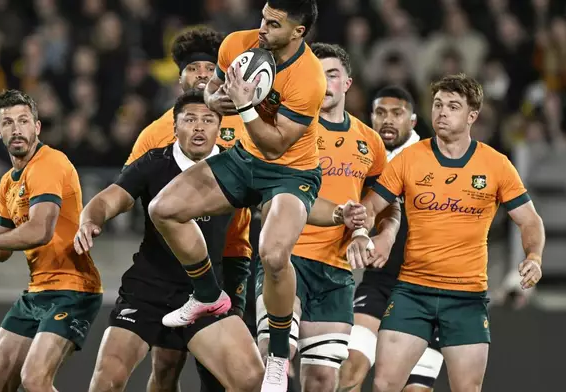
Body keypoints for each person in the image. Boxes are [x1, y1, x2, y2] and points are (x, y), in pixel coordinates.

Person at [148, 2, 341, 390]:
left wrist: (246, 105)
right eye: (263, 18)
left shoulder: (308, 79)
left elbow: (275, 147)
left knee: (272, 254)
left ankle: (279, 356)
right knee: (163, 209)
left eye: (274, 24)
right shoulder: (239, 43)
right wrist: (220, 100)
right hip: (243, 159)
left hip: (291, 173)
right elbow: (216, 93)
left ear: (298, 32)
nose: (262, 29)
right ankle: (207, 294)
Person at [346, 74, 546, 392]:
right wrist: (361, 233)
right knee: (384, 384)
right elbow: (371, 206)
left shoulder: (496, 165)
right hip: (413, 292)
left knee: (467, 388)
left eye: (453, 106)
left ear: (472, 116)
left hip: (466, 297)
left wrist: (533, 256)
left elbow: (530, 221)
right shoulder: (409, 159)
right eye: (438, 104)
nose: (442, 112)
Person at [79, 90, 264, 392]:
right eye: (190, 119)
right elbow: (110, 199)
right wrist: (90, 220)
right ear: (175, 127)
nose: (199, 127)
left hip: (205, 292)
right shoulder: (154, 163)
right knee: (106, 382)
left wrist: (337, 215)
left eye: (208, 120)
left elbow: (286, 197)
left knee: (252, 380)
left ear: (221, 128)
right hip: (148, 289)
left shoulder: (238, 169)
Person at [254, 44, 400, 392]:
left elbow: (387, 202)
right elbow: (264, 195)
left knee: (322, 379)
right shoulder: (287, 132)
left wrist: (384, 235)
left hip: (336, 270)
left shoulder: (370, 141)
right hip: (287, 258)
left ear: (348, 82)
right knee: (275, 355)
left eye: (331, 74)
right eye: (317, 75)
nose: (325, 82)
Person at [123, 25, 253, 392]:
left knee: (218, 366)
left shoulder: (244, 123)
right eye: (193, 69)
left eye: (210, 69)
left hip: (229, 255)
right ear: (179, 78)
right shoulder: (155, 132)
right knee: (165, 364)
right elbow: (129, 188)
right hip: (171, 261)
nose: (201, 75)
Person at [0, 89, 103, 392]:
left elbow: (40, 231)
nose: (16, 129)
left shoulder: (50, 164)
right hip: (38, 291)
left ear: (36, 127)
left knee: (35, 379)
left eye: (23, 121)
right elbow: (2, 250)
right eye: (8, 123)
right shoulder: (6, 184)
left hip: (74, 289)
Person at [338, 86, 444, 392]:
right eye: (381, 113)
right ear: (371, 118)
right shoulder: (362, 159)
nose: (388, 120)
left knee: (413, 389)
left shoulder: (434, 160)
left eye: (396, 113)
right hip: (379, 283)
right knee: (349, 373)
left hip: (429, 289)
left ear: (412, 121)